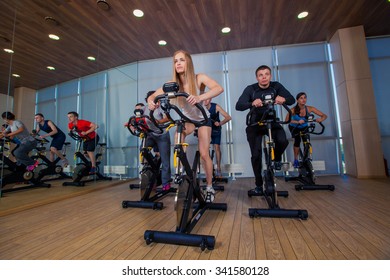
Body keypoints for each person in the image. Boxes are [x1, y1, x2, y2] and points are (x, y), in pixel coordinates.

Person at [147, 50, 223, 202]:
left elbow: (218, 88)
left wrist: (200, 97)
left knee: (203, 153)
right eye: (176, 61)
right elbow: (153, 95)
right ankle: (182, 172)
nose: (178, 63)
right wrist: (151, 101)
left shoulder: (199, 78)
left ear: (188, 62)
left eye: (182, 60)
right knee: (178, 136)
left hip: (203, 120)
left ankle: (209, 187)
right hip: (188, 119)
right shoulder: (173, 85)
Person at [235, 65, 295, 193]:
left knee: (282, 141)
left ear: (270, 76)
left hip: (271, 121)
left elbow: (291, 99)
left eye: (266, 74)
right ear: (257, 78)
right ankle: (258, 184)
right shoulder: (251, 89)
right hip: (255, 124)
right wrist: (252, 103)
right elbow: (238, 105)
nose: (264, 77)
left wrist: (283, 99)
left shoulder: (276, 86)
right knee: (256, 155)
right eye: (261, 75)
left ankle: (277, 157)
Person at [127, 92, 172, 190]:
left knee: (165, 159)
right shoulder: (144, 108)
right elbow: (135, 119)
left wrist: (159, 121)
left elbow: (168, 118)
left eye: (157, 99)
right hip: (150, 134)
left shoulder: (161, 107)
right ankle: (153, 165)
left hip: (162, 135)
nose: (156, 101)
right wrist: (132, 124)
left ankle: (166, 182)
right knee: (143, 151)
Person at [285, 92, 328, 168]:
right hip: (294, 127)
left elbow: (324, 115)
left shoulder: (310, 108)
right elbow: (287, 120)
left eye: (305, 98)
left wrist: (320, 119)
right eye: (301, 98)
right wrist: (297, 121)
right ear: (297, 100)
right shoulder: (293, 110)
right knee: (297, 141)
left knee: (306, 141)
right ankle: (296, 159)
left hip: (304, 126)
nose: (303, 100)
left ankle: (306, 158)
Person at [203, 97, 231, 178]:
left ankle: (218, 168)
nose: (205, 101)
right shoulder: (200, 107)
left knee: (217, 147)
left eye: (207, 99)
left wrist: (220, 123)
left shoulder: (216, 107)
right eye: (204, 99)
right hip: (206, 130)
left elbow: (228, 117)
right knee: (204, 150)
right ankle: (208, 171)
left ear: (210, 100)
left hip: (215, 130)